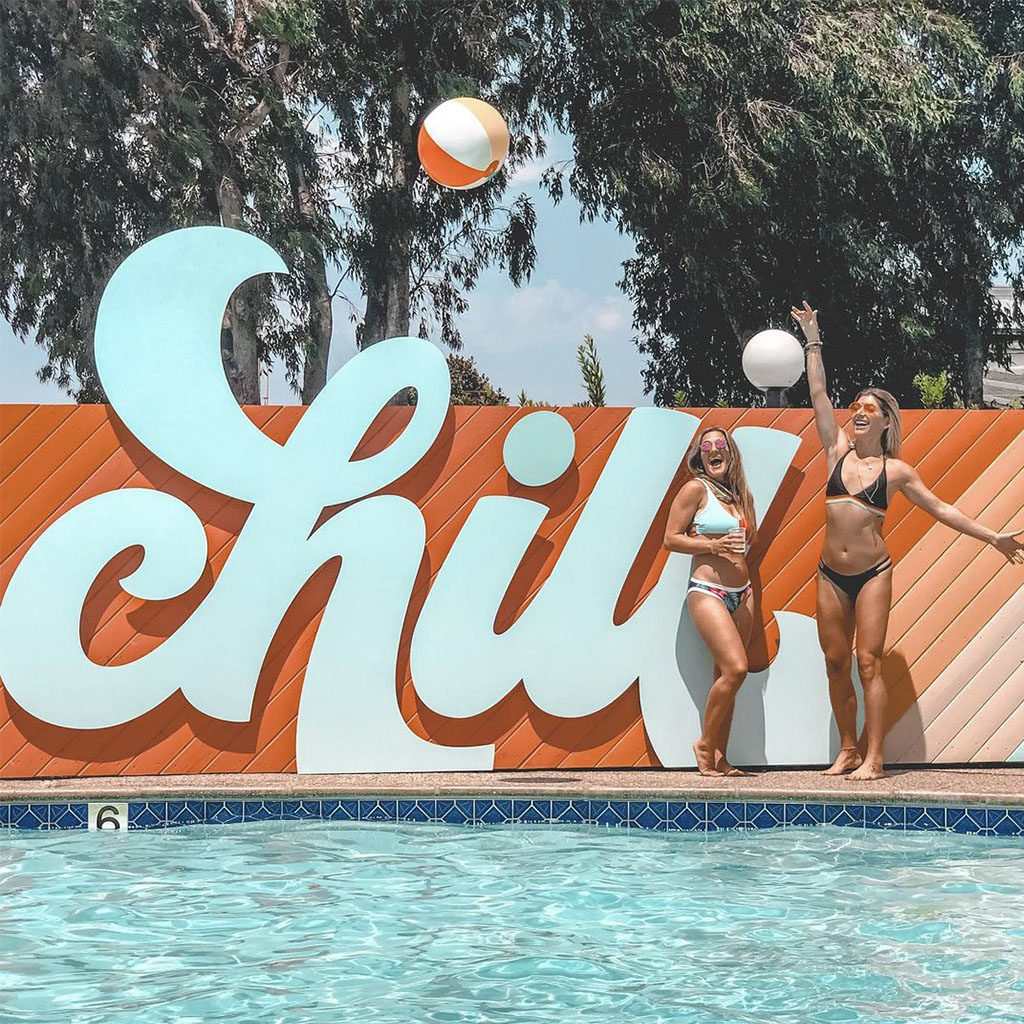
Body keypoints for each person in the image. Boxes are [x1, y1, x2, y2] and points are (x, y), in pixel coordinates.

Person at [792, 300, 1024, 780]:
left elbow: (942, 509)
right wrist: (812, 337)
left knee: (868, 661)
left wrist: (993, 536)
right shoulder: (835, 452)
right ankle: (849, 749)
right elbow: (818, 391)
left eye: (867, 410)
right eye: (855, 407)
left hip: (873, 574)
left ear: (883, 423)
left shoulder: (895, 471)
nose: (857, 412)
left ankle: (875, 758)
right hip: (829, 574)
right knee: (836, 662)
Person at [664, 427, 758, 776]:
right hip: (707, 591)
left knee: (726, 677)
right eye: (707, 447)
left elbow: (751, 539)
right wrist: (712, 546)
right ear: (699, 456)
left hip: (744, 592)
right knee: (737, 669)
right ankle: (704, 744)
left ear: (731, 453)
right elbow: (670, 539)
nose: (713, 450)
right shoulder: (695, 490)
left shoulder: (739, 495)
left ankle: (720, 755)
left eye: (721, 445)